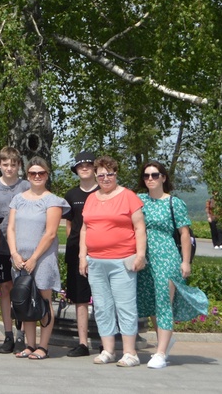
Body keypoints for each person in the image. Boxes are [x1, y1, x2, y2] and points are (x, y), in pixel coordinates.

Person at [136, 160, 209, 369]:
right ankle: (163, 344)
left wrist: (186, 262)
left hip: (166, 257)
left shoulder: (174, 203)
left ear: (163, 178)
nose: (150, 178)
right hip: (144, 258)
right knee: (151, 303)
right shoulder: (139, 200)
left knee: (163, 304)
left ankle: (160, 353)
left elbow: (184, 234)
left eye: (155, 175)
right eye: (146, 175)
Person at [79, 155, 146, 367]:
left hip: (122, 260)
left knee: (125, 306)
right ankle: (108, 350)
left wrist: (141, 254)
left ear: (116, 174)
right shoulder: (91, 198)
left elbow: (139, 227)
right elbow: (85, 228)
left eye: (109, 174)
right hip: (96, 261)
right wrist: (83, 256)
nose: (105, 178)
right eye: (101, 175)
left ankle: (130, 352)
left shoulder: (128, 196)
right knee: (102, 306)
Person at [7, 155, 68, 359]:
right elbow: (11, 228)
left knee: (42, 301)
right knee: (25, 301)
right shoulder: (18, 199)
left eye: (41, 173)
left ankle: (43, 346)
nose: (37, 176)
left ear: (47, 175)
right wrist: (15, 254)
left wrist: (34, 258)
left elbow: (50, 233)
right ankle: (29, 345)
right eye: (33, 173)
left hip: (42, 259)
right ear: (28, 175)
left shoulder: (54, 201)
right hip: (19, 259)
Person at [0, 145, 30, 353]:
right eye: (5, 164)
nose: (9, 168)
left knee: (22, 290)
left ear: (19, 165)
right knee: (5, 290)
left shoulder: (27, 185)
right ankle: (8, 335)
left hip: (22, 247)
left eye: (13, 164)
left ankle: (22, 335)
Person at [63, 150, 99, 356]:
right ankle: (83, 343)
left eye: (88, 164)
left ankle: (106, 341)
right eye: (80, 165)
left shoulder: (103, 191)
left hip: (101, 251)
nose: (84, 168)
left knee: (103, 298)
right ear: (76, 169)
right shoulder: (71, 194)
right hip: (76, 252)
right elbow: (69, 223)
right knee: (80, 299)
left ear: (95, 168)